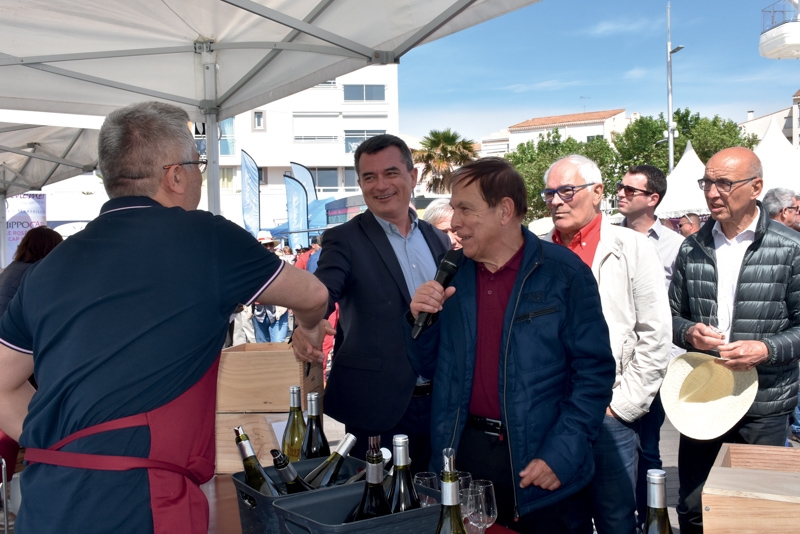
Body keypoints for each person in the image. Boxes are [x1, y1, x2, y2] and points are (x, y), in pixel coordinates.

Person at [0, 101, 330, 534]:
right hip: (141, 504)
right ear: (175, 175)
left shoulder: (50, 267)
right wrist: (308, 329)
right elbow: (314, 293)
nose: (199, 174)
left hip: (48, 501)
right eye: (199, 164)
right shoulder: (206, 237)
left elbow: (3, 383)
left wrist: (67, 444)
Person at [408, 158, 615, 533]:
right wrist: (422, 319)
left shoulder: (563, 273)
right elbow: (427, 367)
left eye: (465, 209)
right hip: (464, 457)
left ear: (504, 210)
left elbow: (594, 374)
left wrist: (562, 454)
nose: (454, 222)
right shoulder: (451, 270)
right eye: (453, 209)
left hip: (540, 462)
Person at [293, 133, 450, 467]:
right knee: (379, 510)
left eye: (391, 173)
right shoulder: (344, 239)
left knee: (437, 502)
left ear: (413, 176)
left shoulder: (437, 238)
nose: (381, 185)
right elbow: (323, 290)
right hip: (377, 407)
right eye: (369, 177)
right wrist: (308, 322)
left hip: (441, 402)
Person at [669, 146, 800, 533]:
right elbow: (671, 318)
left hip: (765, 401)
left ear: (756, 186)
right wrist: (689, 332)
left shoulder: (789, 248)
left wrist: (766, 348)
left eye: (724, 183)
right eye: (706, 182)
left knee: (756, 515)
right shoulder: (692, 247)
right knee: (694, 507)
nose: (711, 193)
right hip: (705, 397)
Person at [542, 155, 672, 534]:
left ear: (598, 192)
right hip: (552, 412)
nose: (556, 201)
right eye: (550, 193)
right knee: (565, 518)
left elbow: (655, 333)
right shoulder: (537, 250)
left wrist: (624, 406)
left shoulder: (631, 246)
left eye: (567, 190)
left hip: (608, 411)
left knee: (616, 518)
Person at [615, 164, 685, 530]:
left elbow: (678, 310)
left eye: (631, 190)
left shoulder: (676, 247)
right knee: (614, 448)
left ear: (653, 199)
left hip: (656, 366)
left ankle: (650, 520)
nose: (621, 193)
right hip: (613, 368)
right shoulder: (609, 240)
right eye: (620, 187)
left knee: (648, 448)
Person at [0, 225, 63, 529]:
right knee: (30, 431)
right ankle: (12, 489)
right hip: (15, 365)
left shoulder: (11, 271)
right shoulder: (37, 276)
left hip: (10, 362)